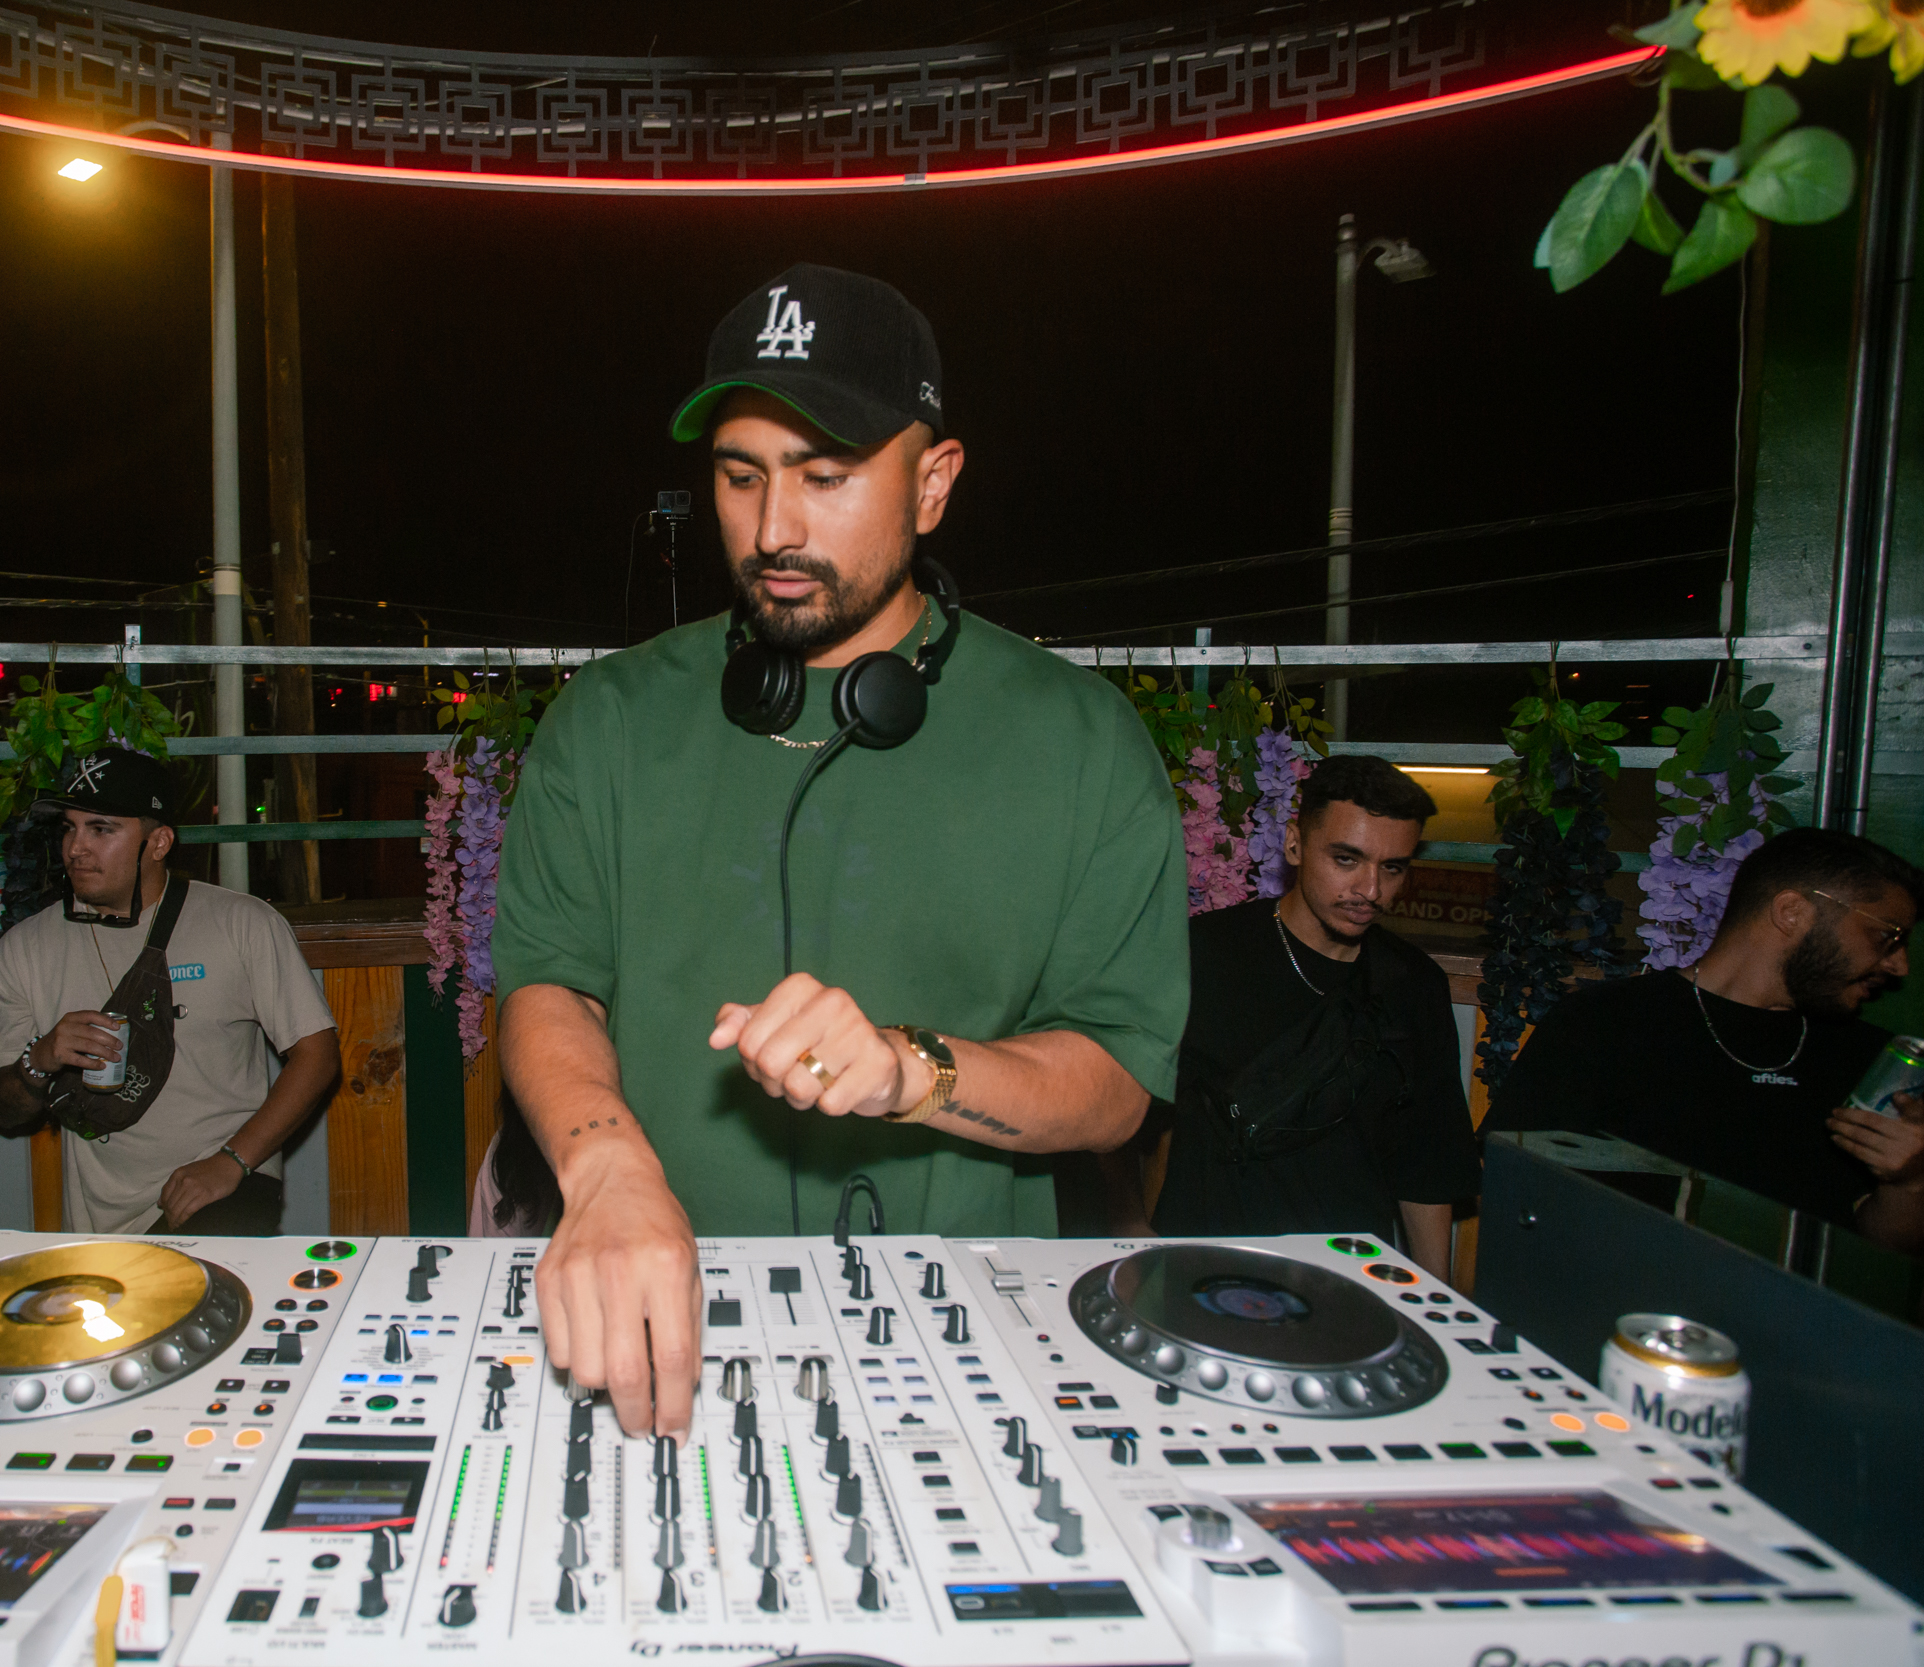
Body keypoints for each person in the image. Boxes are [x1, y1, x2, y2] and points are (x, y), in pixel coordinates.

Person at [493, 263, 1187, 1439]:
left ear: (933, 482)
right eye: (740, 475)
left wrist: (915, 1072)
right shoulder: (606, 721)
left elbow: (1116, 1082)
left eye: (825, 476)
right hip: (655, 1325)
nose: (773, 528)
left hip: (969, 1347)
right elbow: (547, 981)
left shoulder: (1081, 741)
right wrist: (605, 1168)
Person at [1109, 755, 1478, 1274]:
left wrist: (1434, 1298)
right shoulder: (1202, 955)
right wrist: (1129, 1234)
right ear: (1294, 844)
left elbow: (1426, 1164)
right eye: (1347, 859)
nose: (1371, 890)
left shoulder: (1413, 985)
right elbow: (1123, 1113)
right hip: (1203, 1265)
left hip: (1347, 1275)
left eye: (1392, 867)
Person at [1488, 826, 1924, 1252]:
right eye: (1886, 936)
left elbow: (1884, 1250)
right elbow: (1518, 1198)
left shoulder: (1873, 1061)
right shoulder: (1605, 1025)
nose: (1900, 965)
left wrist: (1908, 1183)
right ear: (1791, 912)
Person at [0, 747, 340, 1234]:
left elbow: (318, 1054)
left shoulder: (242, 923)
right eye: (68, 827)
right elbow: (3, 1111)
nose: (75, 848)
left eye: (100, 829)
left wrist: (232, 1160)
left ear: (159, 842)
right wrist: (40, 1058)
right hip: (103, 1219)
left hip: (227, 1180)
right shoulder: (23, 949)